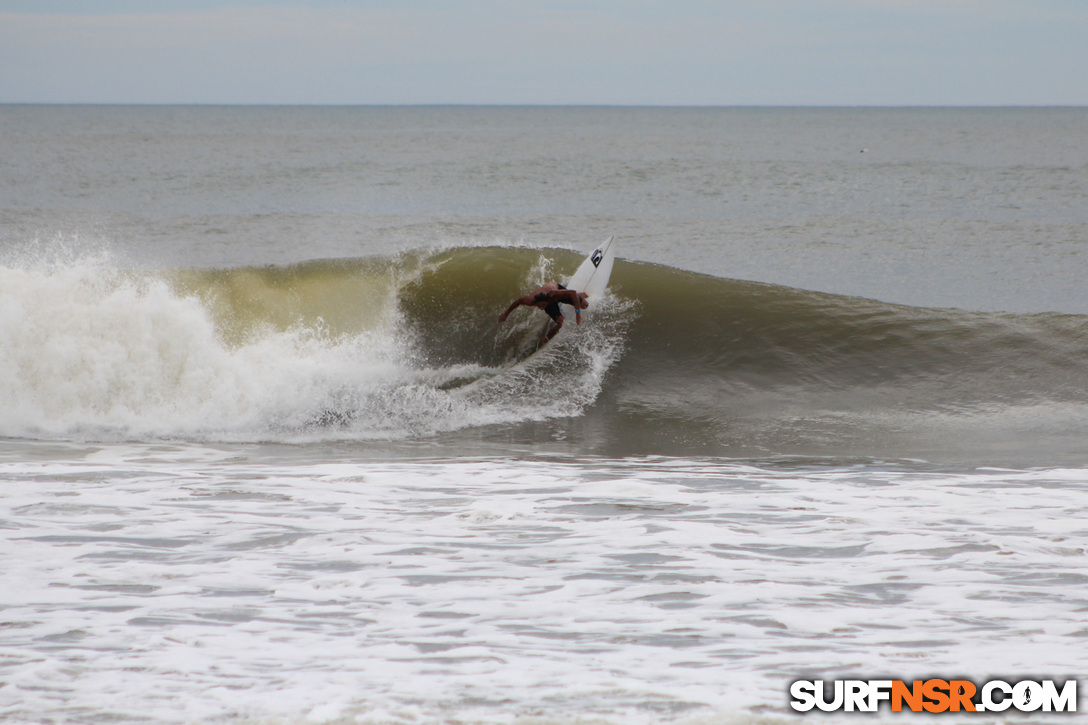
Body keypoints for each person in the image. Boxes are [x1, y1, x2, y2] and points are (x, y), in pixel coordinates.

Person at [498, 282, 589, 342]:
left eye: (542, 306)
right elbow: (517, 302)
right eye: (539, 306)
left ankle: (579, 295)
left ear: (547, 300)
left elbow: (572, 293)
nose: (541, 308)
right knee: (561, 323)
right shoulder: (530, 300)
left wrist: (578, 313)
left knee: (585, 305)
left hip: (557, 292)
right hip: (550, 304)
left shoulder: (554, 294)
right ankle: (548, 336)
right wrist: (506, 314)